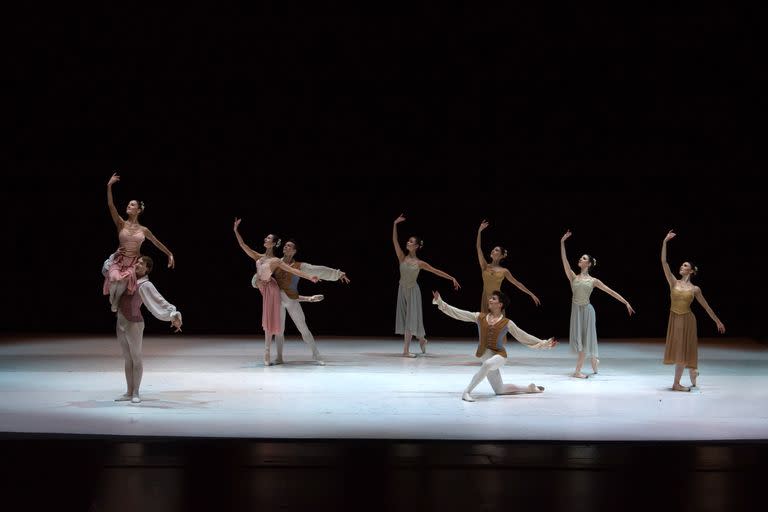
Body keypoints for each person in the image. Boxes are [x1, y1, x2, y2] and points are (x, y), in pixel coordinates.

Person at [432, 290, 557, 402]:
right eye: (490, 298)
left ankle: (467, 392)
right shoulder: (479, 317)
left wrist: (544, 343)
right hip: (484, 355)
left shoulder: (506, 323)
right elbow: (459, 313)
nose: (490, 300)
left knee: (487, 364)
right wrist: (441, 303)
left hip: (499, 356)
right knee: (500, 390)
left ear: (500, 304)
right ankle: (530, 388)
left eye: (494, 299)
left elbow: (523, 336)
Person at [233, 218, 319, 366]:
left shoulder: (276, 261)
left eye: (268, 238)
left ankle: (269, 353)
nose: (265, 239)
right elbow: (242, 245)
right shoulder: (259, 256)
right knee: (271, 323)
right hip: (264, 289)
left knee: (272, 321)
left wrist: (310, 277)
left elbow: (293, 270)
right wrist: (236, 230)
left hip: (272, 290)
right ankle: (273, 354)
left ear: (273, 243)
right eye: (266, 237)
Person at [102, 253, 182, 404]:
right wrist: (114, 257)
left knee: (136, 357)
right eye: (137, 262)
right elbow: (108, 271)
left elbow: (160, 301)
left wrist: (173, 313)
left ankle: (136, 392)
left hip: (134, 324)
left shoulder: (145, 284)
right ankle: (128, 391)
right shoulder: (126, 278)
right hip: (121, 322)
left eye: (141, 263)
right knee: (127, 358)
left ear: (147, 269)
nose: (137, 264)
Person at [560, 230, 635, 378]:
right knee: (583, 340)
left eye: (583, 258)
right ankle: (595, 361)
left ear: (588, 263)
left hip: (588, 312)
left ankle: (577, 371)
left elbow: (611, 291)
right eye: (581, 258)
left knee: (586, 340)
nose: (580, 259)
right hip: (576, 311)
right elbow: (565, 261)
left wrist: (625, 302)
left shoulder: (593, 281)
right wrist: (562, 243)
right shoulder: (573, 277)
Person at [661, 230, 726, 391]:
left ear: (690, 271)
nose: (681, 266)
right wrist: (664, 242)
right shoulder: (673, 282)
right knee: (680, 349)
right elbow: (664, 262)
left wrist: (717, 321)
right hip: (675, 318)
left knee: (684, 349)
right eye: (682, 265)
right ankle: (693, 371)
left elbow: (706, 306)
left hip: (688, 320)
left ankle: (677, 383)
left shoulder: (695, 289)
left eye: (685, 265)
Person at [103, 172, 175, 312]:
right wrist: (109, 186)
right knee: (114, 278)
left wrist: (169, 253)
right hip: (119, 260)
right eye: (128, 204)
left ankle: (118, 302)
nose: (128, 206)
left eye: (132, 204)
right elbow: (111, 205)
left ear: (138, 210)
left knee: (124, 282)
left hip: (133, 263)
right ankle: (114, 298)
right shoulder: (121, 223)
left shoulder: (144, 230)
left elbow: (156, 242)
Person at [272, 239, 350, 365]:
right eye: (285, 245)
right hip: (276, 300)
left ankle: (316, 354)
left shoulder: (299, 266)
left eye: (289, 246)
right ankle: (279, 357)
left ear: (294, 251)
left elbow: (318, 270)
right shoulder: (275, 263)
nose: (286, 247)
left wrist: (337, 274)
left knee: (303, 329)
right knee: (279, 330)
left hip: (292, 300)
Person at [392, 214, 460, 357]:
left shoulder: (419, 263)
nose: (408, 243)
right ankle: (422, 339)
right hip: (402, 289)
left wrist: (451, 277)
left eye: (411, 242)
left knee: (411, 319)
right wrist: (395, 224)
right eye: (408, 241)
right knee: (408, 320)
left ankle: (405, 351)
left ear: (416, 246)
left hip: (413, 291)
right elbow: (394, 240)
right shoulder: (402, 257)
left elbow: (436, 271)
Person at [476, 220, 541, 313]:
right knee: (484, 325)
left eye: (496, 250)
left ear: (501, 256)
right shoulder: (485, 266)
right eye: (493, 249)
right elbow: (478, 248)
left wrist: (531, 294)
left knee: (498, 326)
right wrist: (479, 231)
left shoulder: (504, 271)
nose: (493, 251)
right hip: (485, 299)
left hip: (497, 301)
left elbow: (517, 283)